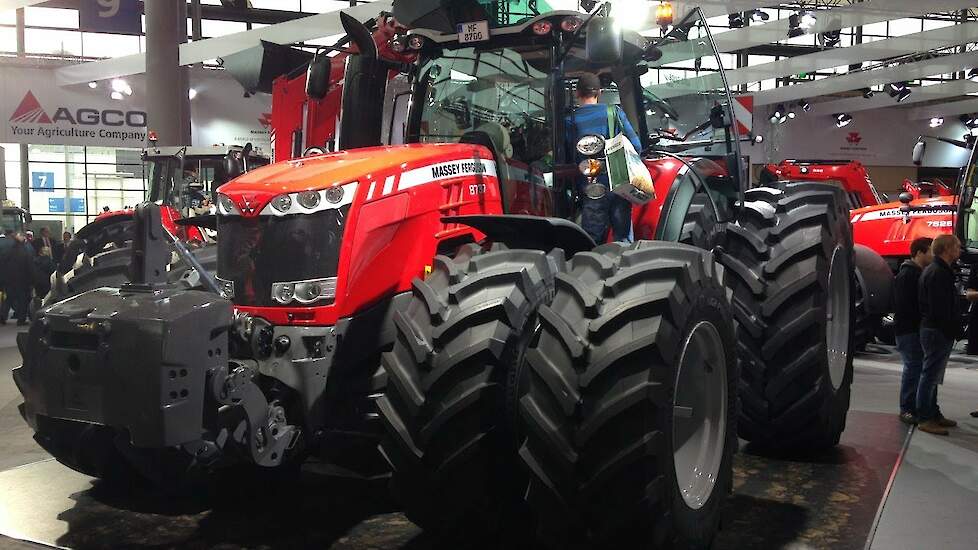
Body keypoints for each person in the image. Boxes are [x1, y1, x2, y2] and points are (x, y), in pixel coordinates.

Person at [565, 72, 642, 244]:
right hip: (619, 186)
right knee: (623, 240)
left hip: (591, 189)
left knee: (592, 242)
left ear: (577, 93)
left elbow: (568, 159)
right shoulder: (614, 113)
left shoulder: (569, 121)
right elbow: (636, 146)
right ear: (599, 92)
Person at [917, 234, 966, 435]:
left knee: (933, 375)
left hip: (935, 329)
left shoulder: (938, 270)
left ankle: (932, 413)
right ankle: (925, 417)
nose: (960, 250)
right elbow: (940, 308)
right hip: (937, 330)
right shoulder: (938, 273)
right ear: (947, 249)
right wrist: (953, 328)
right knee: (930, 375)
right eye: (957, 246)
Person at [893, 237, 933, 425]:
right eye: (930, 251)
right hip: (908, 330)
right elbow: (905, 306)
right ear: (919, 253)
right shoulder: (908, 275)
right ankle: (907, 409)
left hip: (914, 329)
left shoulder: (918, 273)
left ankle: (916, 407)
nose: (933, 255)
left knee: (917, 368)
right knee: (913, 367)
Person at [0, 232, 35, 326]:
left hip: (9, 279)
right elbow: (29, 267)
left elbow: (3, 264)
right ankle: (21, 319)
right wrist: (32, 279)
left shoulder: (8, 251)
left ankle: (2, 315)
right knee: (23, 299)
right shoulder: (26, 252)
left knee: (9, 298)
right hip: (22, 279)